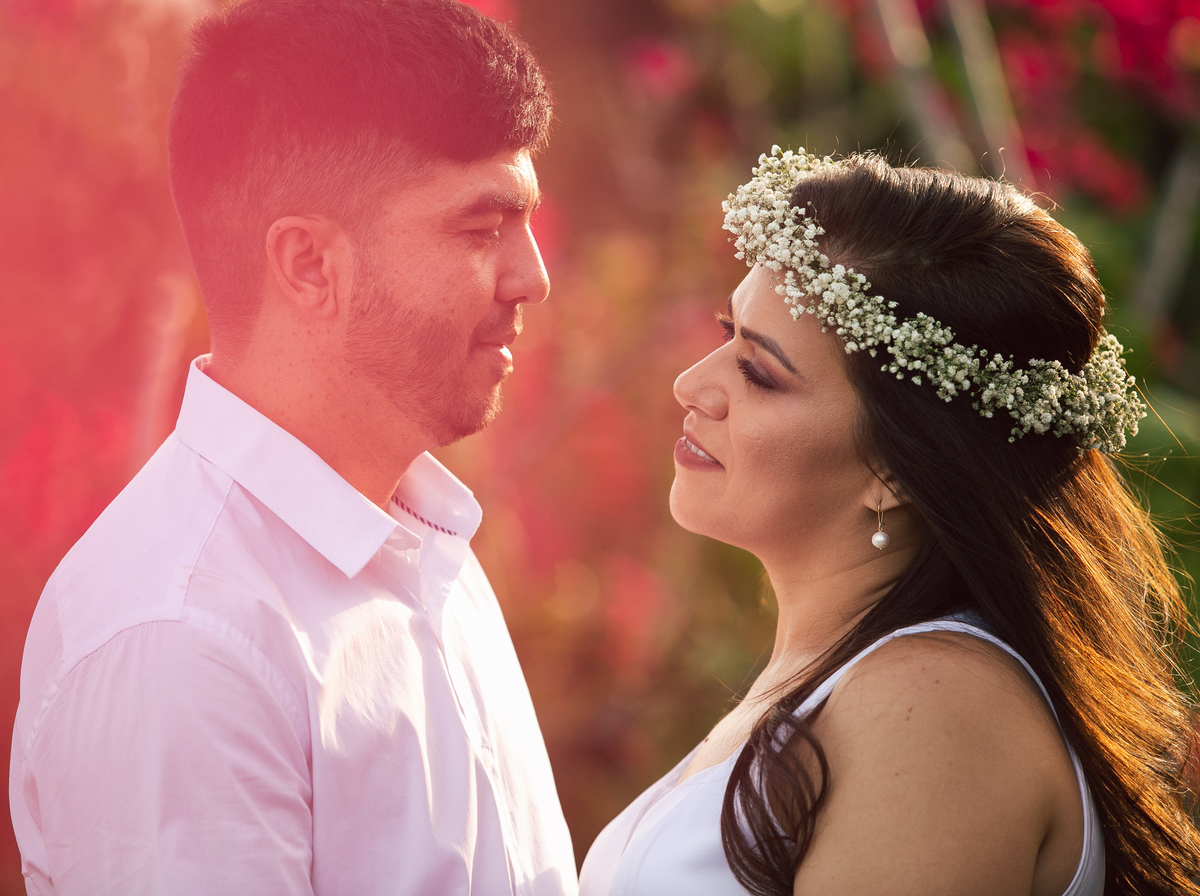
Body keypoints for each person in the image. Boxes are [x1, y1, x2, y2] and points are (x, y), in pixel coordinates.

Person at [8, 1, 578, 894]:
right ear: (311, 265)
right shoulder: (180, 643)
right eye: (480, 229)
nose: (532, 277)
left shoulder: (428, 547)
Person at [578, 148, 1200, 896]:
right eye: (724, 333)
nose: (692, 386)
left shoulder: (935, 710)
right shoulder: (849, 680)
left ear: (896, 469)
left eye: (760, 372)